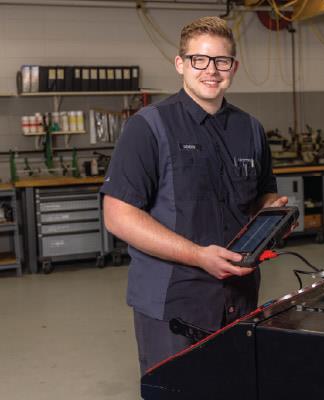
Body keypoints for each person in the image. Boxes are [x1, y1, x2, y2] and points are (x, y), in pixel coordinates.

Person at [101, 16, 287, 374]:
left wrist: (273, 212)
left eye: (221, 61)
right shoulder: (149, 126)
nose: (211, 71)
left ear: (234, 66)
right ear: (180, 64)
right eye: (199, 60)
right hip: (173, 301)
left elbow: (261, 196)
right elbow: (118, 215)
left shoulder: (250, 128)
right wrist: (198, 255)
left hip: (239, 296)